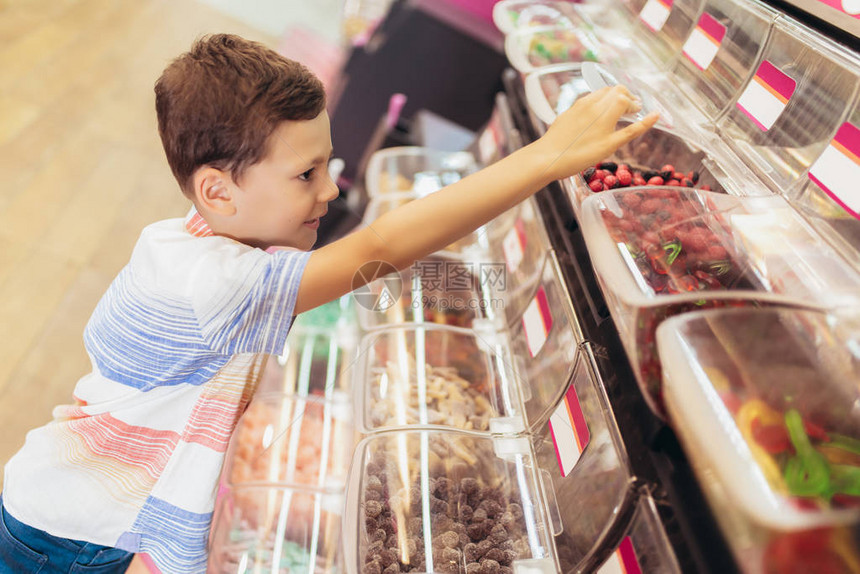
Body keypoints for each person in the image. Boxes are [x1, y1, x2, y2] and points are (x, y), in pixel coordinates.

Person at [0, 34, 657, 574]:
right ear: (218, 191)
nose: (330, 189)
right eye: (307, 175)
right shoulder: (217, 283)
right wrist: (547, 158)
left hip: (66, 502)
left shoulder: (200, 231)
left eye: (329, 164)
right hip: (71, 533)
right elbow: (383, 244)